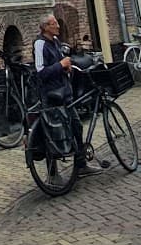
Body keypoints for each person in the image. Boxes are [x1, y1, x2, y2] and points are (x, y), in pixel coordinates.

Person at [34, 13, 99, 175]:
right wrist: (60, 65)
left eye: (56, 22)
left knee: (76, 127)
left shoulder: (55, 42)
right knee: (53, 134)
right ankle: (53, 175)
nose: (58, 26)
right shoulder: (40, 44)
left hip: (65, 95)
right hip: (51, 97)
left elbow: (60, 61)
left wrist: (66, 66)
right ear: (45, 27)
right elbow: (40, 72)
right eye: (53, 23)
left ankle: (81, 165)